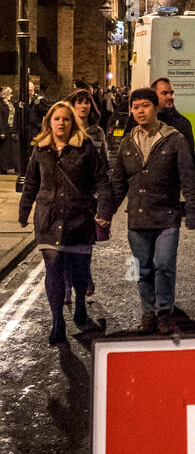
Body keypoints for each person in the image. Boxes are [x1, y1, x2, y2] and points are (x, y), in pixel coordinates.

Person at [18, 100, 113, 345]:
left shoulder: (86, 148)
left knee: (79, 270)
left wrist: (103, 210)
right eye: (57, 118)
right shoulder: (40, 149)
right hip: (48, 218)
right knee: (53, 267)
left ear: (73, 123)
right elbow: (31, 182)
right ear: (49, 122)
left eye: (66, 119)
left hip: (78, 218)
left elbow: (102, 181)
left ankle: (80, 301)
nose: (61, 123)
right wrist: (24, 211)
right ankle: (57, 320)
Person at [111, 86, 195, 334]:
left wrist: (191, 211)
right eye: (136, 107)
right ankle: (147, 312)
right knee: (141, 268)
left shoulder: (174, 139)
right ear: (131, 110)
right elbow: (118, 182)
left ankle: (164, 312)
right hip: (137, 219)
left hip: (167, 216)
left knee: (164, 265)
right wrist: (105, 214)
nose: (140, 111)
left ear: (156, 108)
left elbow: (188, 177)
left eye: (145, 106)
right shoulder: (128, 142)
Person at [63, 89, 110, 303]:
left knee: (85, 243)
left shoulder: (97, 132)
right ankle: (65, 285)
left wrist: (104, 198)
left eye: (86, 102)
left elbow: (105, 163)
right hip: (64, 198)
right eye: (79, 102)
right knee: (62, 243)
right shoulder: (63, 129)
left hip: (88, 197)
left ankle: (85, 274)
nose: (84, 106)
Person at [122, 77, 195, 153]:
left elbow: (187, 158)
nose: (170, 97)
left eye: (171, 93)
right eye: (164, 93)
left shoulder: (181, 123)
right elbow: (125, 151)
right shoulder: (138, 120)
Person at [0, 86, 16, 173]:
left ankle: (8, 166)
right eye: (10, 94)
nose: (11, 95)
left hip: (10, 128)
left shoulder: (10, 103)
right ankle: (3, 167)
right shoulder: (1, 104)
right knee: (3, 149)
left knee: (8, 148)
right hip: (4, 128)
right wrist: (1, 131)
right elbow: (0, 118)